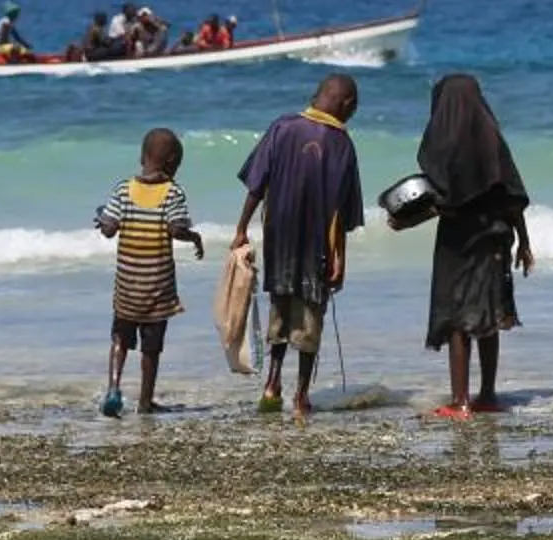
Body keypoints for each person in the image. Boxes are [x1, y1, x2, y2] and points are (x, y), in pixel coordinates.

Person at [230, 75, 366, 417]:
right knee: (309, 319)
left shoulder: (282, 127)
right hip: (317, 249)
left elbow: (256, 186)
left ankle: (272, 384)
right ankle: (302, 396)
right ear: (346, 104)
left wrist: (241, 228)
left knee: (280, 309)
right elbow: (343, 213)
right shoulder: (342, 145)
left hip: (281, 242)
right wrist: (340, 260)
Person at [418, 73, 535, 418]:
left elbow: (436, 197)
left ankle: (460, 401)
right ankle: (487, 395)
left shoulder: (441, 144)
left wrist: (403, 220)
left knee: (458, 318)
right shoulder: (492, 139)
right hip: (496, 237)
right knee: (488, 314)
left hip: (457, 239)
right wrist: (524, 241)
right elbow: (512, 194)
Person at [93, 127, 203, 419]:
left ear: (142, 157)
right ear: (172, 163)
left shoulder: (123, 188)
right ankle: (144, 401)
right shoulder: (173, 192)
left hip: (127, 285)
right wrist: (194, 238)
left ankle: (114, 388)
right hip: (157, 286)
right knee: (150, 348)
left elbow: (109, 229)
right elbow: (175, 229)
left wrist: (101, 217)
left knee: (120, 339)